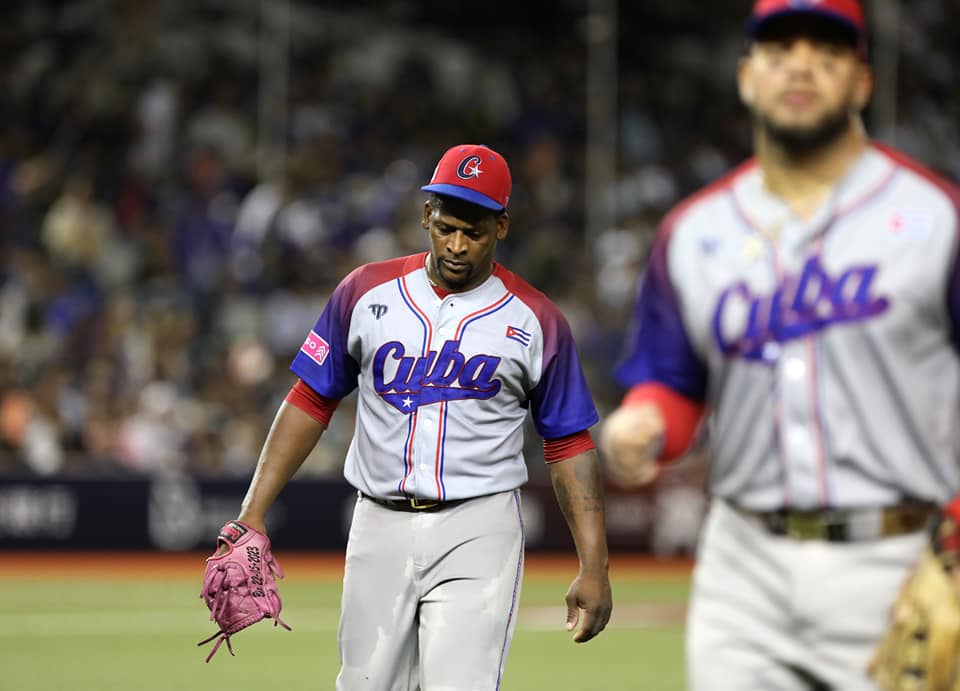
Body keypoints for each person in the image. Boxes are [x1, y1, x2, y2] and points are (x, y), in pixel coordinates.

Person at [601, 1, 960, 689]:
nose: (801, 66)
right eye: (779, 49)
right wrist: (647, 420)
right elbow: (674, 379)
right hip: (742, 566)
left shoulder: (936, 218)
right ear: (746, 76)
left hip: (899, 557)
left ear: (862, 82)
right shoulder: (694, 232)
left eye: (827, 53)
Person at [226, 143, 612, 689]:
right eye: (446, 227)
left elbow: (569, 442)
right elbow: (311, 399)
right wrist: (252, 511)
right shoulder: (364, 291)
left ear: (501, 227)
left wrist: (594, 564)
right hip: (377, 522)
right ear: (426, 214)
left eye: (473, 233)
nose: (456, 245)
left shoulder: (537, 319)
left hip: (479, 527)